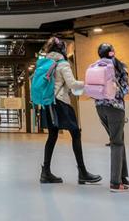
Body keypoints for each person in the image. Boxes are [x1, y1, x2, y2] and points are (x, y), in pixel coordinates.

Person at [39, 37, 101, 185]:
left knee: (52, 136)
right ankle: (82, 172)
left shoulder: (46, 63)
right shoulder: (63, 64)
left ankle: (45, 172)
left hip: (48, 103)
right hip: (60, 103)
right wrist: (88, 85)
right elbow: (72, 83)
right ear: (62, 49)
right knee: (75, 133)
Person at [92, 43, 129, 193]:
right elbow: (125, 89)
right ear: (112, 53)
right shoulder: (119, 66)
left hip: (99, 107)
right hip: (115, 108)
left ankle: (123, 176)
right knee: (117, 142)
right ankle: (115, 182)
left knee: (117, 138)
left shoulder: (96, 66)